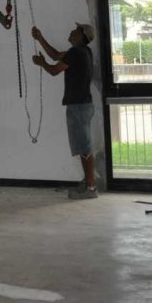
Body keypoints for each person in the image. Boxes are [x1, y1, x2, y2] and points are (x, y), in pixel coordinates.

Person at [32, 23, 98, 200]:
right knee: (82, 147)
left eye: (75, 31)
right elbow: (55, 55)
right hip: (80, 105)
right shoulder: (82, 51)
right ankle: (89, 183)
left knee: (84, 148)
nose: (71, 32)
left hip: (79, 106)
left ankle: (91, 188)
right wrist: (40, 38)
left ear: (82, 36)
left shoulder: (77, 52)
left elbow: (54, 70)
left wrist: (42, 63)